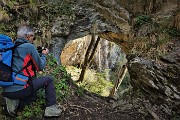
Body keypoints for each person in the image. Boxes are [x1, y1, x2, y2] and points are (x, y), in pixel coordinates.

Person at [2, 25, 62, 117]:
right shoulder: (29, 47)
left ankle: (13, 102)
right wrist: (43, 55)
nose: (33, 39)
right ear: (28, 36)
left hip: (8, 88)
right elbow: (40, 66)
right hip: (21, 88)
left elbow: (23, 60)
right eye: (33, 36)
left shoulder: (13, 46)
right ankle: (51, 109)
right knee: (49, 80)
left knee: (33, 96)